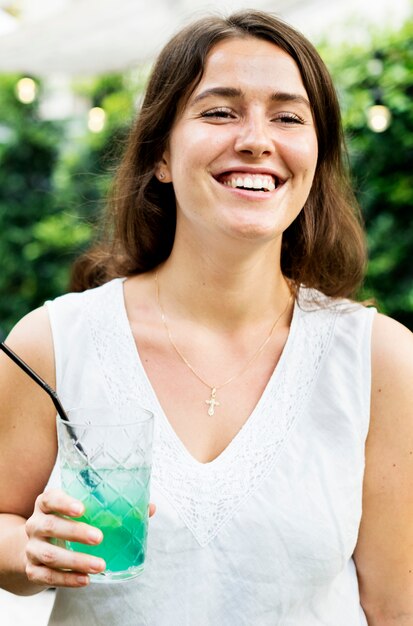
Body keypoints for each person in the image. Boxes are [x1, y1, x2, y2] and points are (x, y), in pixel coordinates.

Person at [0, 9, 412, 626]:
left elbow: (395, 606)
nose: (255, 139)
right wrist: (25, 551)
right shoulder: (53, 342)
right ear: (161, 155)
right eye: (219, 111)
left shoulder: (379, 358)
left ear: (316, 157)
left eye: (288, 116)